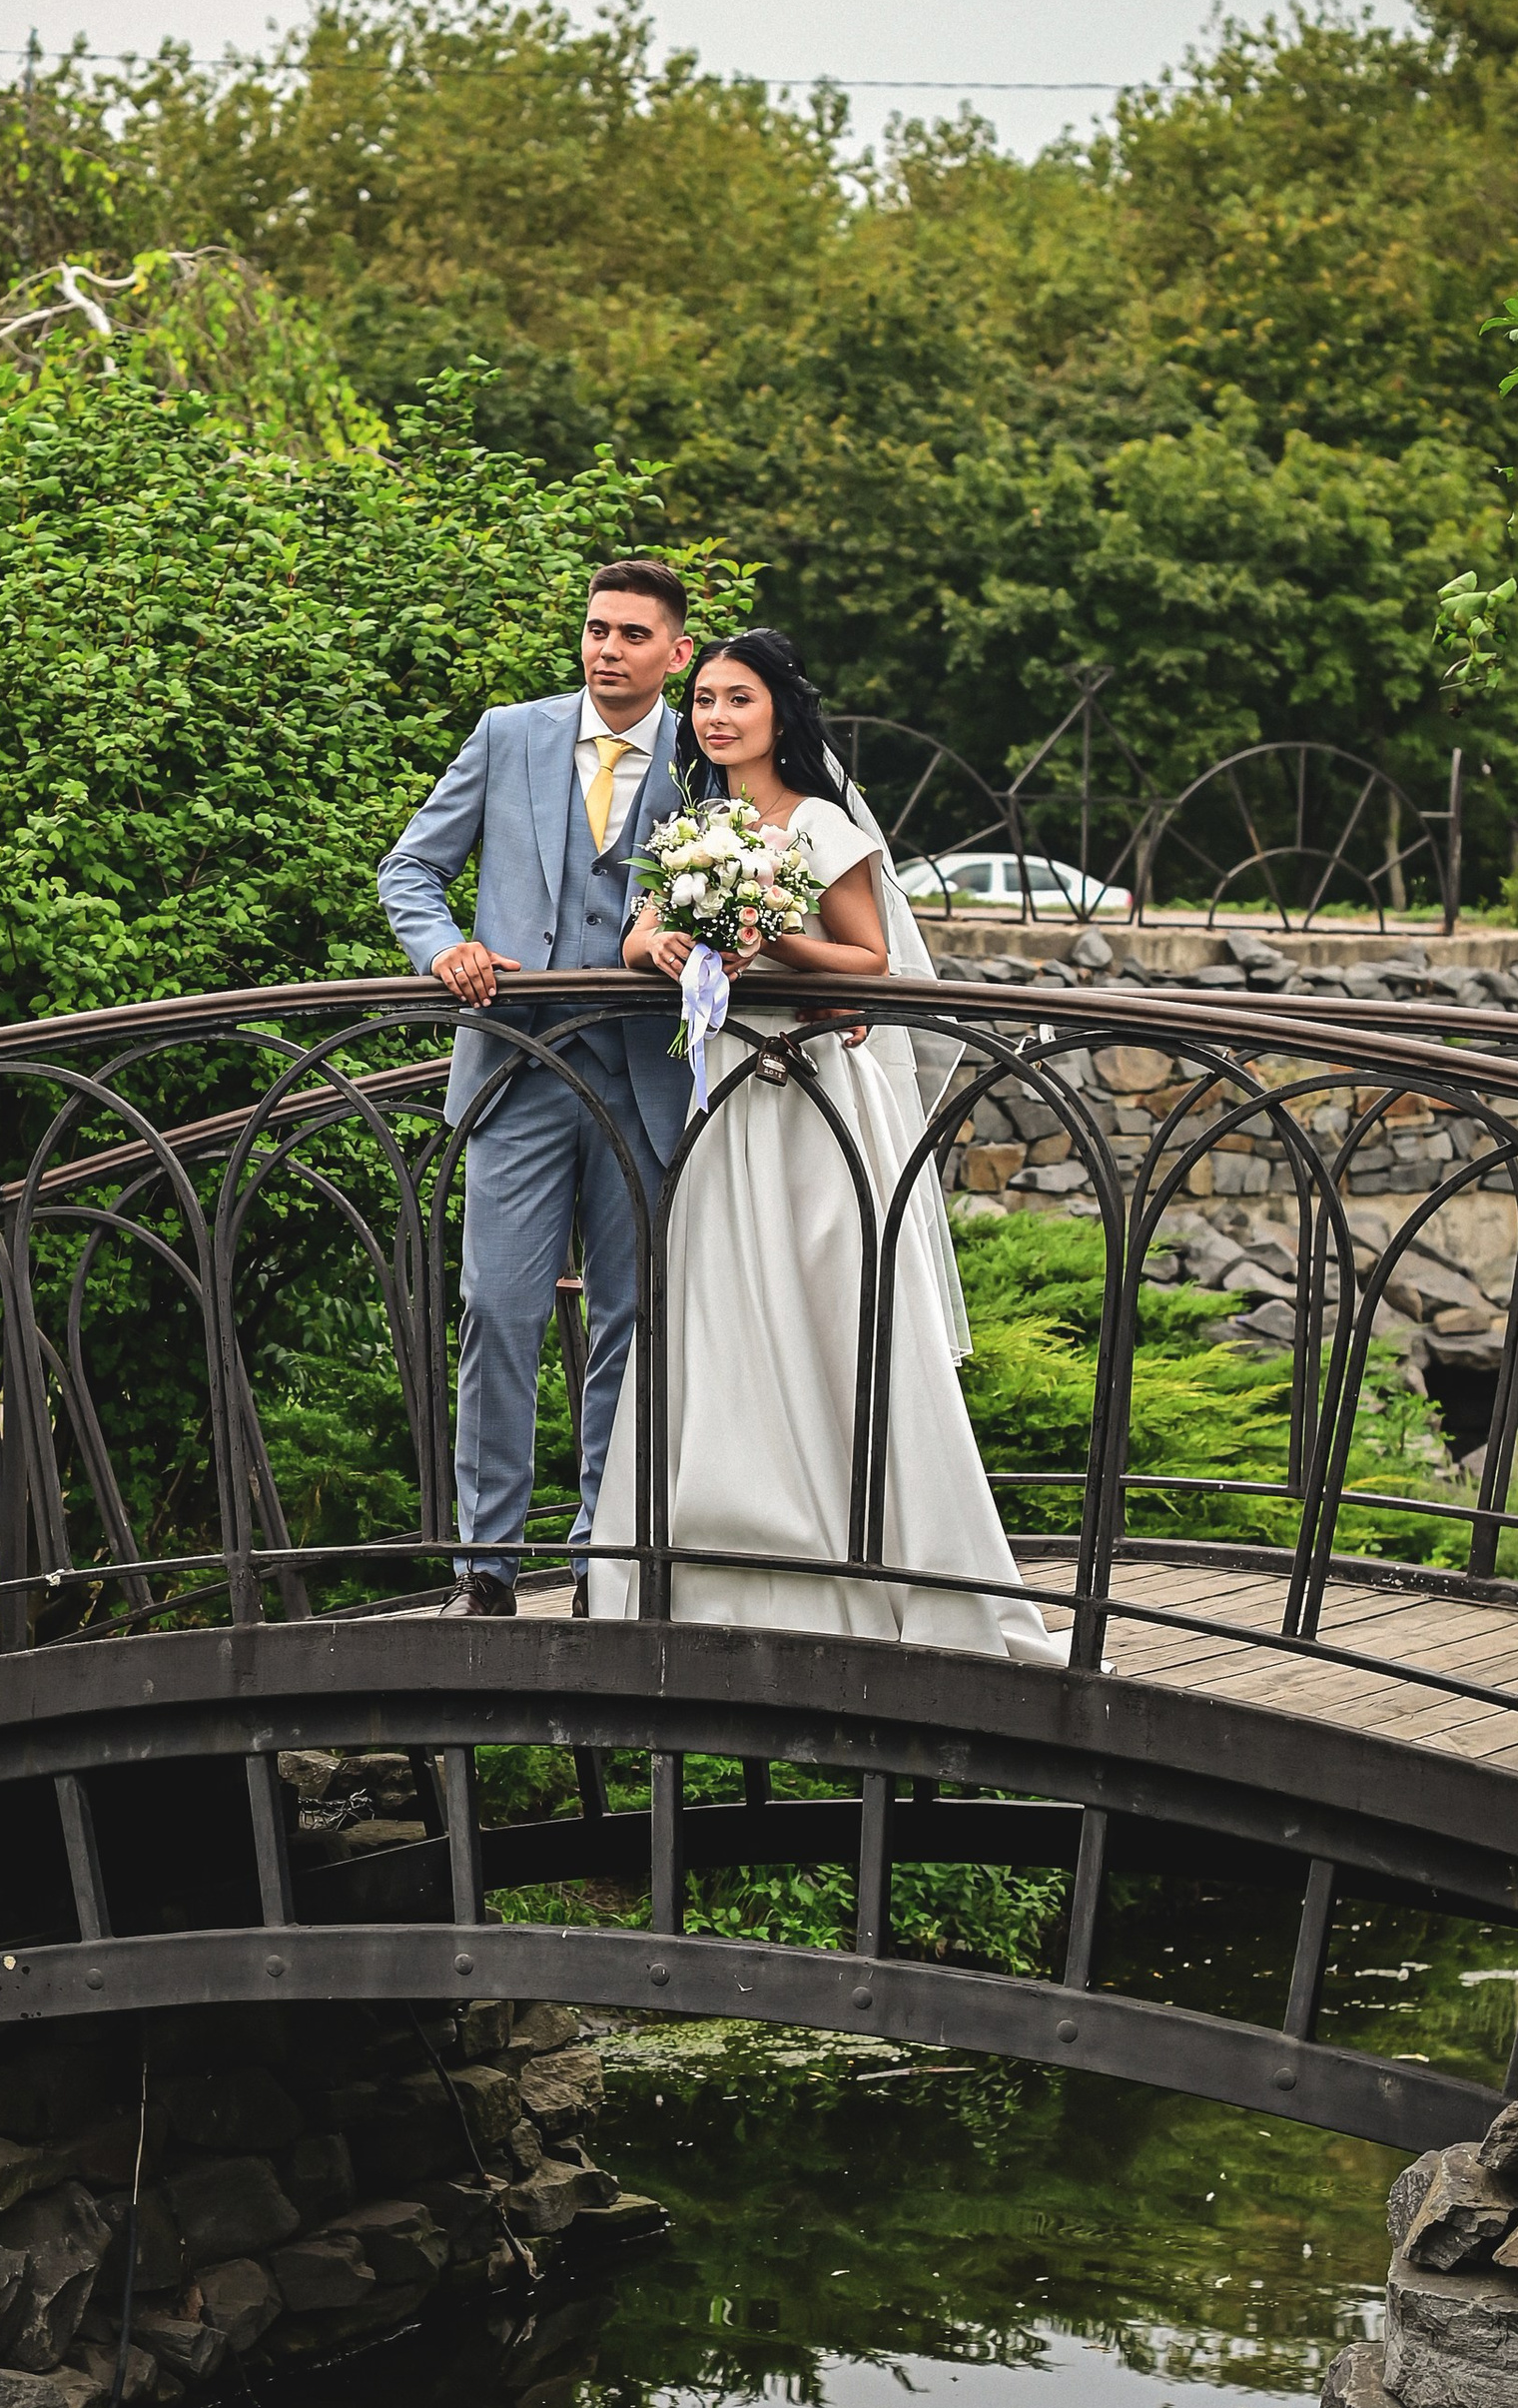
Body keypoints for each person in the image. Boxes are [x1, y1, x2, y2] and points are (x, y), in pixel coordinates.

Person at [585, 625, 1061, 1660]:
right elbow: (635, 932)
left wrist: (765, 928)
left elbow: (870, 963)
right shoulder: (693, 823)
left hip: (814, 1104)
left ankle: (877, 1566)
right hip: (726, 1106)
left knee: (834, 1311)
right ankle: (720, 1562)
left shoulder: (825, 827)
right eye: (704, 699)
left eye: (737, 698)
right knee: (719, 1314)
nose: (715, 715)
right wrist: (662, 937)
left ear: (778, 714)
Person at [378, 560, 694, 1618]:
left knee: (630, 1321)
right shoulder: (509, 732)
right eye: (597, 629)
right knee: (494, 1313)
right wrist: (443, 947)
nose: (608, 648)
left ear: (675, 653)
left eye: (632, 634)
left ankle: (606, 1562)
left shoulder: (706, 756)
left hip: (647, 1078)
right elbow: (409, 870)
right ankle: (485, 1567)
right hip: (516, 1067)